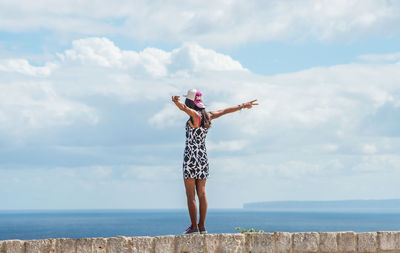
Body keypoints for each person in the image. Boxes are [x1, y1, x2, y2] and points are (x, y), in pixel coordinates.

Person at [171, 89, 258, 234]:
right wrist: (243, 105)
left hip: (190, 157)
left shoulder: (194, 115)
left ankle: (194, 227)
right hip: (203, 158)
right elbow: (224, 110)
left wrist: (176, 102)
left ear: (190, 101)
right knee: (202, 193)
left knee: (191, 194)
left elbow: (184, 109)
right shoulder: (208, 116)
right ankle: (202, 226)